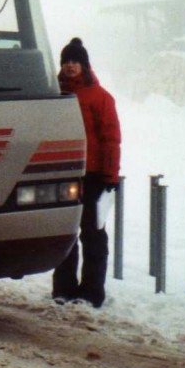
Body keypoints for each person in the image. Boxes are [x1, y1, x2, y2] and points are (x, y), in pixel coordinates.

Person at [52, 37, 122, 307]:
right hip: (61, 172)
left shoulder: (100, 97)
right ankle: (63, 289)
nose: (70, 66)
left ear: (84, 65)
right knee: (65, 232)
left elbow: (111, 139)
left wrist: (110, 177)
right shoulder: (53, 93)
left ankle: (92, 293)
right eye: (66, 62)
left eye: (75, 62)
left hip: (92, 175)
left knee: (92, 234)